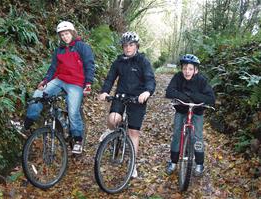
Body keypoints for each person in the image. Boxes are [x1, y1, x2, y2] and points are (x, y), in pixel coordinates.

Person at [22, 21, 95, 154]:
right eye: (62, 35)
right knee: (38, 94)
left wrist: (88, 83)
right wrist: (45, 81)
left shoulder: (82, 47)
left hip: (76, 83)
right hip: (59, 80)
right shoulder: (59, 50)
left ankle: (78, 140)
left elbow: (89, 65)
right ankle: (27, 124)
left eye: (66, 34)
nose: (64, 37)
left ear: (72, 33)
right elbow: (53, 68)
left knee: (73, 111)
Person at [98, 31, 156, 178]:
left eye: (131, 45)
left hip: (138, 99)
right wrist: (104, 91)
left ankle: (133, 165)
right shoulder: (118, 61)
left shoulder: (143, 61)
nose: (128, 48)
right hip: (121, 96)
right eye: (125, 45)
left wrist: (147, 92)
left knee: (133, 133)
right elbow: (110, 78)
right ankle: (111, 131)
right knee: (113, 119)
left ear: (136, 46)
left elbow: (150, 79)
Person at [165, 54, 215, 176]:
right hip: (181, 110)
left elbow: (211, 98)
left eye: (190, 69)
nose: (187, 71)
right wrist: (185, 97)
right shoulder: (178, 77)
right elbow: (169, 91)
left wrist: (193, 96)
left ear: (195, 70)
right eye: (185, 68)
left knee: (197, 136)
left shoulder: (201, 80)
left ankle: (199, 163)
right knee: (177, 134)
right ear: (181, 69)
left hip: (197, 112)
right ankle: (173, 161)